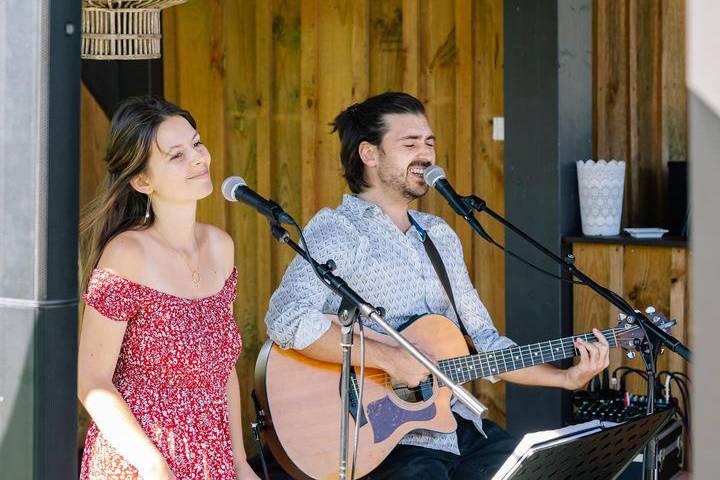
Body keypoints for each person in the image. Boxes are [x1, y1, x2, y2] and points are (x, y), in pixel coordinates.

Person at [264, 92, 610, 479]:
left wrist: (565, 378)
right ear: (369, 154)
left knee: (536, 471)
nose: (426, 155)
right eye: (410, 144)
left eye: (429, 143)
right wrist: (390, 359)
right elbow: (286, 317)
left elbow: (485, 342)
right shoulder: (338, 230)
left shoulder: (439, 235)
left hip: (450, 423)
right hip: (379, 438)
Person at [77, 96, 259, 480]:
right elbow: (91, 381)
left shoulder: (220, 247)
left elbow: (221, 369)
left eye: (196, 143)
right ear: (142, 180)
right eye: (176, 155)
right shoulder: (126, 254)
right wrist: (154, 468)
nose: (198, 158)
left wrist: (241, 462)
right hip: (140, 461)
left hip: (214, 460)